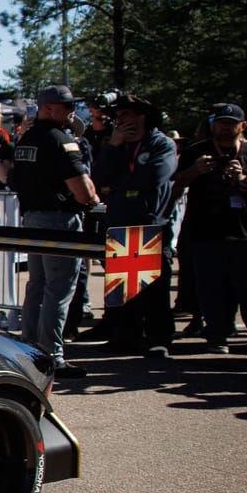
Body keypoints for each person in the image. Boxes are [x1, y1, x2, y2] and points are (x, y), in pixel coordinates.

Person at [2, 86, 98, 378]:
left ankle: (29, 348)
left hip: (32, 218)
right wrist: (92, 199)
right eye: (66, 107)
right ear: (49, 108)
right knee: (58, 289)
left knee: (37, 285)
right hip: (59, 221)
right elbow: (82, 192)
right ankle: (51, 355)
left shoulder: (26, 139)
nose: (71, 113)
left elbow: (13, 178)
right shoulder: (61, 140)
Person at [172, 103, 247, 355]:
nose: (225, 127)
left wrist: (241, 179)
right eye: (220, 122)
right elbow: (176, 185)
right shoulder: (196, 151)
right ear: (212, 124)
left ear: (242, 126)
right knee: (210, 289)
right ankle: (217, 335)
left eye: (230, 123)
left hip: (243, 232)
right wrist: (195, 170)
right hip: (205, 232)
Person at [91, 95, 178, 358]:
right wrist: (113, 147)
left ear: (141, 117)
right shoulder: (115, 145)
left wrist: (116, 185)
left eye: (125, 115)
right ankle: (124, 336)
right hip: (120, 221)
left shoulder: (161, 144)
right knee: (123, 285)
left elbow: (153, 176)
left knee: (154, 287)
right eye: (117, 117)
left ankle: (158, 338)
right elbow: (98, 178)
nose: (119, 121)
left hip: (150, 220)